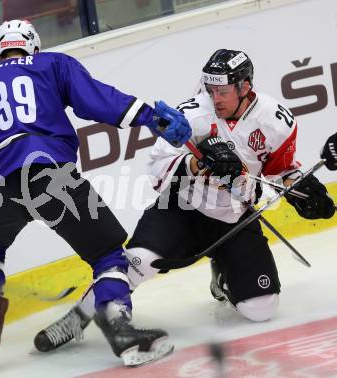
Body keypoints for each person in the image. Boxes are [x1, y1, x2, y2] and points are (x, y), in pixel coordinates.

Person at [34, 49, 335, 353]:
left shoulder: (276, 120)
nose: (215, 98)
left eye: (224, 91)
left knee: (261, 309)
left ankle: (224, 274)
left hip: (234, 217)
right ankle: (78, 318)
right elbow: (155, 167)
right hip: (182, 210)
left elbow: (279, 171)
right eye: (211, 90)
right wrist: (195, 164)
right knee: (137, 262)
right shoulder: (192, 114)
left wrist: (303, 191)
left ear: (245, 87)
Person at [0, 19, 191, 367]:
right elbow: (99, 101)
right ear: (32, 45)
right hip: (52, 175)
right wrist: (149, 116)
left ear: (0, 50)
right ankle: (120, 329)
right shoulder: (52, 64)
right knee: (108, 255)